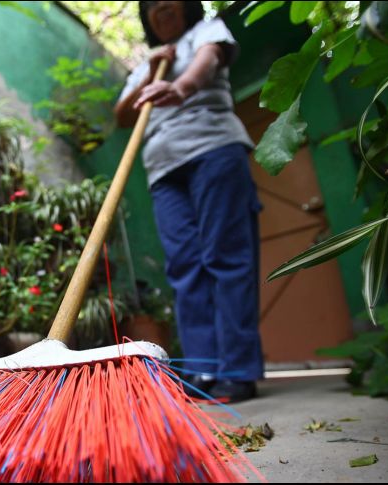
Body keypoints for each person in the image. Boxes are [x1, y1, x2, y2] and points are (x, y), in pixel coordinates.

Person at [114, 1, 263, 402]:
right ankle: (201, 370)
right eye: (151, 5)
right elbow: (121, 114)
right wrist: (150, 69)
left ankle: (236, 370)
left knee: (226, 257)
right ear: (147, 18)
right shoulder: (146, 65)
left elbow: (209, 61)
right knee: (185, 268)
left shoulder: (206, 32)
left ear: (187, 6)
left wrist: (179, 86)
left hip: (213, 149)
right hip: (163, 170)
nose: (161, 6)